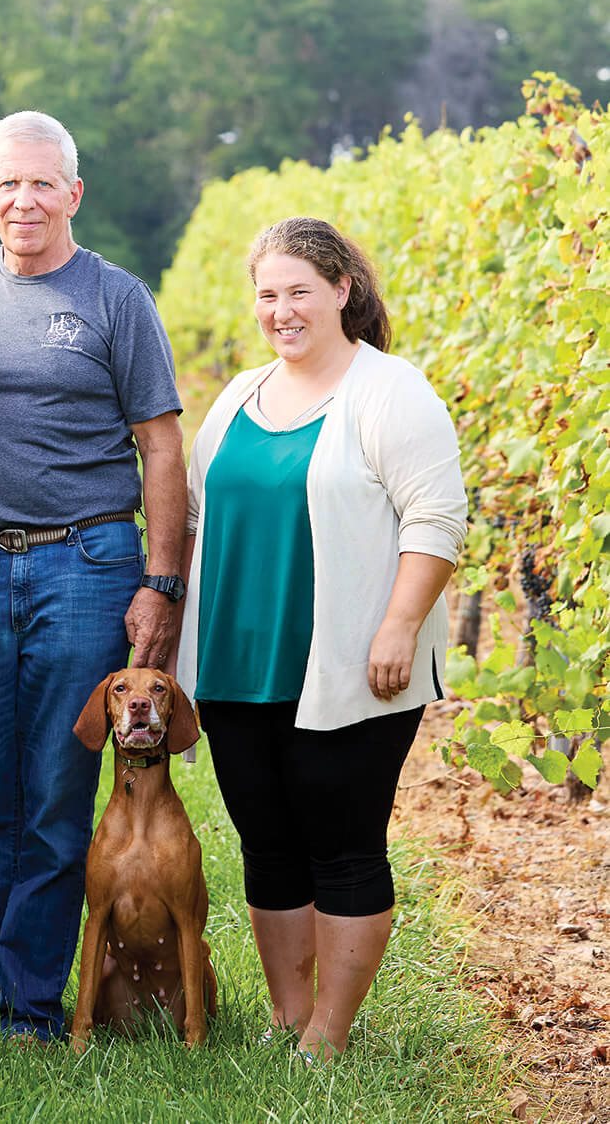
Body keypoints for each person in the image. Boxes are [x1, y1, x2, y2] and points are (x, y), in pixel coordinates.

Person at [0, 111, 188, 1043]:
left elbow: (161, 445)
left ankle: (29, 1005)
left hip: (86, 560)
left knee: (58, 792)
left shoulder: (115, 296)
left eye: (41, 183)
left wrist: (162, 582)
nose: (24, 200)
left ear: (72, 194)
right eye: (8, 184)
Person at [176, 216, 468, 1063]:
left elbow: (436, 520)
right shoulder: (237, 396)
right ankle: (288, 1017)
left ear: (342, 290)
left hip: (349, 667)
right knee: (267, 844)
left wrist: (399, 626)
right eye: (268, 294)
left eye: (299, 291)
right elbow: (195, 518)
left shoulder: (391, 391)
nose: (282, 310)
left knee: (343, 845)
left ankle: (329, 1037)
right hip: (235, 664)